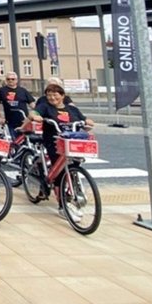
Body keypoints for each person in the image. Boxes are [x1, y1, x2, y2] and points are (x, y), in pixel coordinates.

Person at [30, 84, 95, 221]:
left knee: (74, 165)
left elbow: (83, 119)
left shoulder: (71, 109)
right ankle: (62, 206)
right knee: (59, 173)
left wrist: (87, 121)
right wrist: (36, 117)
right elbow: (34, 113)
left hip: (70, 143)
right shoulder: (45, 107)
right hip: (54, 142)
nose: (52, 98)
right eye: (49, 95)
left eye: (55, 95)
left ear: (62, 96)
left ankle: (72, 188)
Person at [0, 71, 35, 137]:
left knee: (26, 140)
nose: (10, 80)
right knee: (14, 141)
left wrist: (38, 113)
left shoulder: (23, 90)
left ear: (16, 80)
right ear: (6, 80)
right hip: (10, 121)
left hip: (24, 120)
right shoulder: (2, 90)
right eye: (8, 79)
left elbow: (32, 104)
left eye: (13, 79)